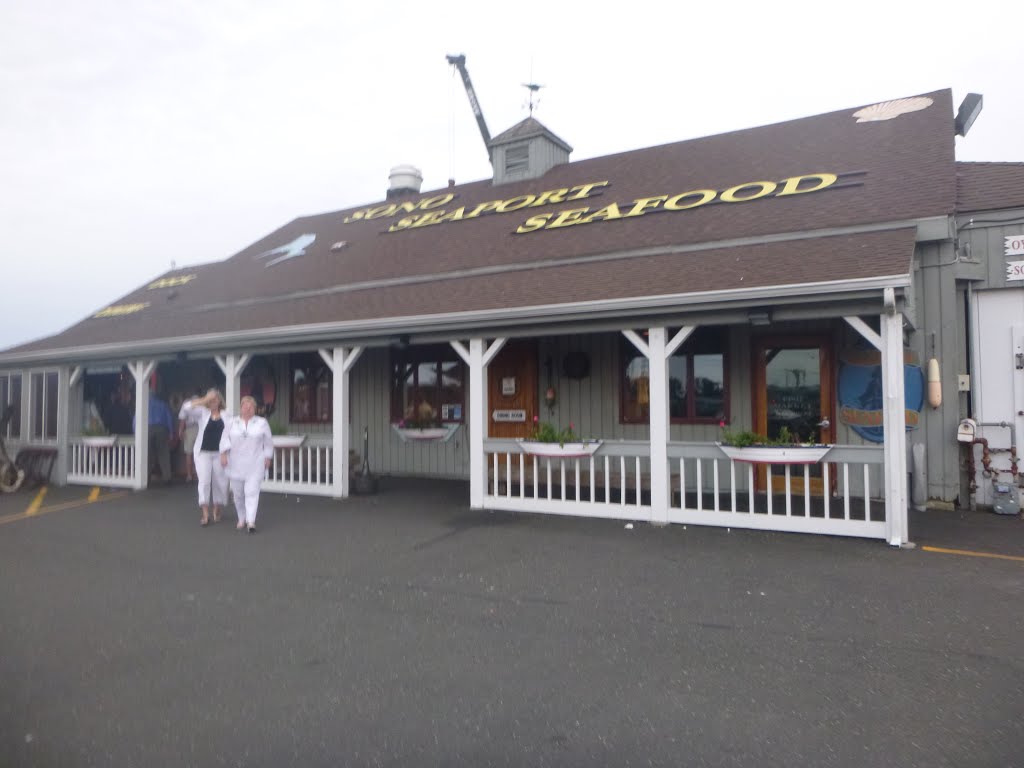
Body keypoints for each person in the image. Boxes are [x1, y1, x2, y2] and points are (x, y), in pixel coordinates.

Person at [219, 395, 273, 533]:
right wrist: (223, 454)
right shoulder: (232, 422)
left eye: (251, 407)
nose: (248, 409)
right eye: (245, 406)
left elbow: (268, 442)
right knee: (238, 494)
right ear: (241, 408)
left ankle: (251, 521)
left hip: (255, 463)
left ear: (255, 409)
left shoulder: (261, 423)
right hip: (235, 463)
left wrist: (268, 457)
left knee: (252, 492)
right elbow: (224, 439)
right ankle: (241, 518)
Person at [179, 389, 231, 527]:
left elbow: (231, 434)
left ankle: (217, 507)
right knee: (204, 481)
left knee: (221, 481)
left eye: (215, 400)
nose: (213, 402)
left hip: (219, 453)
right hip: (203, 453)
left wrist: (226, 452)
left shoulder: (227, 415)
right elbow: (185, 408)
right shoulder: (202, 412)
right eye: (210, 400)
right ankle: (205, 514)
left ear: (220, 401)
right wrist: (204, 399)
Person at [135, 389, 175, 484]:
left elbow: (136, 419)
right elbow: (169, 418)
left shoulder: (142, 404)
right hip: (161, 429)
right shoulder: (163, 404)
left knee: (147, 454)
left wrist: (136, 432)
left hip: (146, 429)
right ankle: (167, 478)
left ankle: (145, 477)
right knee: (163, 453)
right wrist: (171, 432)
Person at [178, 390, 203, 483]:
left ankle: (189, 475)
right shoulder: (202, 403)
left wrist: (180, 430)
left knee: (189, 453)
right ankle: (198, 474)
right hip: (200, 429)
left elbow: (182, 418)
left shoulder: (186, 404)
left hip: (189, 429)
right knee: (200, 454)